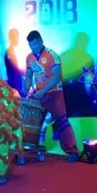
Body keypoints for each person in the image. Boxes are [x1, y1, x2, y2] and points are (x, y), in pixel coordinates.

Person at [24, 30, 79, 162]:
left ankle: (72, 151)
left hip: (54, 93)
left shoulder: (51, 55)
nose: (33, 47)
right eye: (30, 45)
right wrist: (26, 87)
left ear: (41, 41)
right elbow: (29, 75)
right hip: (38, 94)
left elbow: (57, 77)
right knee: (30, 120)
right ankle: (29, 147)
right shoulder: (29, 57)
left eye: (35, 44)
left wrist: (43, 91)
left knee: (62, 121)